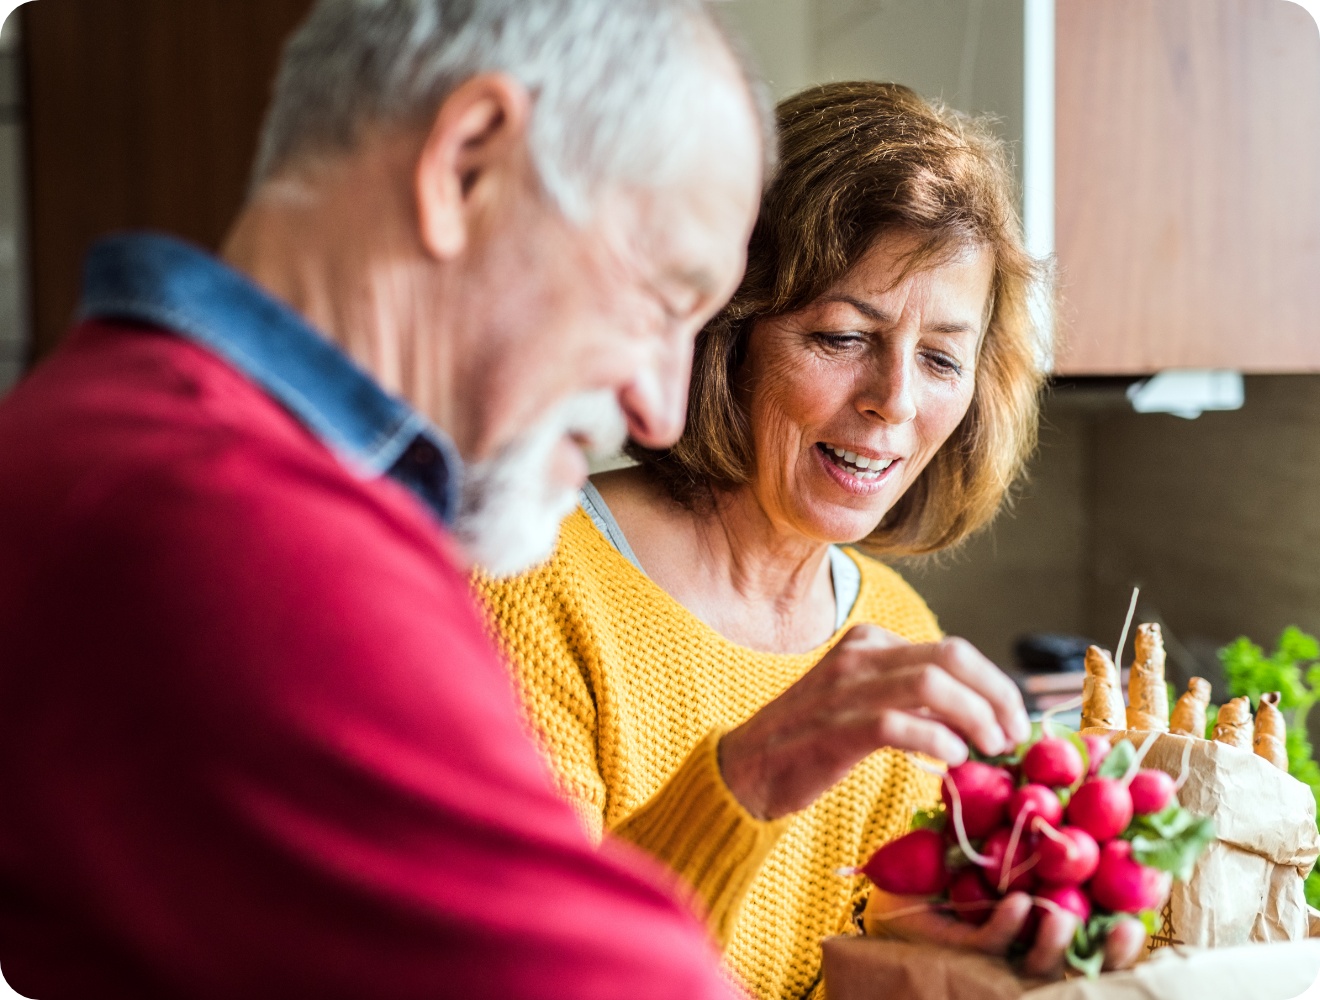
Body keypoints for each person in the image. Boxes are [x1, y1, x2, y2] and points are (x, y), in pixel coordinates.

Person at [0, 2, 772, 997]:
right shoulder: (241, 527)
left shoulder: (112, 426)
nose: (661, 410)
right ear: (467, 165)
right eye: (665, 300)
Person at [478, 82, 1146, 1000]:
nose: (895, 402)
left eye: (941, 358)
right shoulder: (527, 582)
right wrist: (747, 781)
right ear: (724, 335)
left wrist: (953, 955)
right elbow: (529, 974)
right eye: (841, 336)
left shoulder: (896, 631)